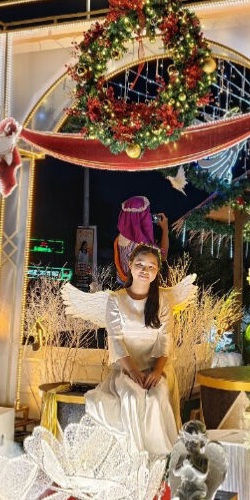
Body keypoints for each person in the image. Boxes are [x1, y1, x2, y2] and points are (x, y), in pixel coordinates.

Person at [85, 244, 180, 457]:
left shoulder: (163, 302)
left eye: (151, 266)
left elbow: (165, 339)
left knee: (157, 396)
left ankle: (161, 456)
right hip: (126, 369)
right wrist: (133, 371)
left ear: (157, 271)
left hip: (156, 368)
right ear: (130, 265)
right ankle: (134, 455)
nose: (145, 270)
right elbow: (116, 340)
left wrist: (157, 371)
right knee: (131, 397)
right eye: (140, 264)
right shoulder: (116, 300)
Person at [114, 196, 169, 284]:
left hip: (123, 283)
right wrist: (165, 230)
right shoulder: (142, 245)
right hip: (138, 286)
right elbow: (163, 257)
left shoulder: (120, 236)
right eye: (146, 214)